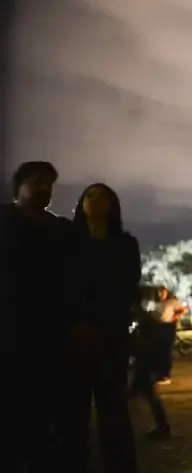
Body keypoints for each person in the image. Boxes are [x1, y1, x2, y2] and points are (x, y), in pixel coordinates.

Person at [60, 183, 141, 473]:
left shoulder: (125, 244)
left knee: (115, 412)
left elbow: (128, 289)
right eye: (90, 195)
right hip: (74, 336)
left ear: (113, 206)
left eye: (103, 197)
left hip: (112, 336)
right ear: (81, 203)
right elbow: (60, 286)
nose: (96, 201)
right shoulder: (67, 240)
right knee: (73, 413)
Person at [2, 161, 74, 472]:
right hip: (10, 328)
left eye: (49, 184)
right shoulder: (3, 220)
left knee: (46, 407)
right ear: (18, 186)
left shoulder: (61, 229)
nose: (45, 189)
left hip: (51, 331)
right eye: (37, 182)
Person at [134, 286, 186, 440]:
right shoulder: (151, 308)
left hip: (148, 351)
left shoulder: (169, 304)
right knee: (143, 391)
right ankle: (159, 425)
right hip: (145, 352)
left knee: (146, 391)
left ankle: (160, 426)